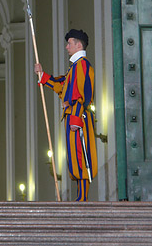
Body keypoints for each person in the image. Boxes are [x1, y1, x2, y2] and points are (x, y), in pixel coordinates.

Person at [34, 29, 97, 201]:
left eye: (69, 43)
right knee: (74, 159)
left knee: (81, 157)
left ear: (78, 45)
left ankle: (83, 197)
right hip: (72, 117)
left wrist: (76, 117)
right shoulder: (74, 68)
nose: (66, 46)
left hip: (79, 118)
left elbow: (83, 96)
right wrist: (42, 75)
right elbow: (62, 84)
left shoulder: (82, 65)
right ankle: (80, 196)